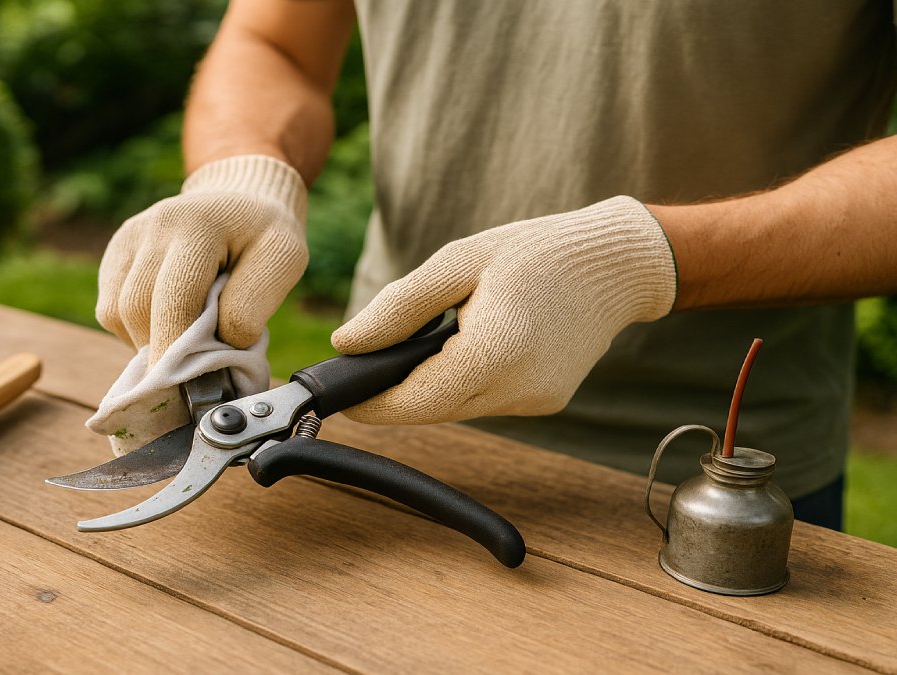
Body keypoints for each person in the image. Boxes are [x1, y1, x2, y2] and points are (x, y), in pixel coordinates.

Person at [95, 0, 897, 530]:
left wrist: (640, 261)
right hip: (378, 421)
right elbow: (275, 42)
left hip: (709, 486)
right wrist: (242, 173)